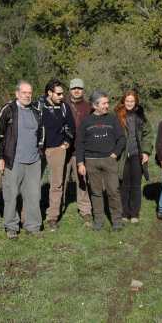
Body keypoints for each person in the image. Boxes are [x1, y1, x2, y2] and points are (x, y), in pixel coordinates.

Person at [0, 80, 44, 239]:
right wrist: (0, 157)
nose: (27, 96)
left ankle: (33, 225)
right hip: (13, 159)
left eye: (29, 93)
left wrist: (40, 148)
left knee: (34, 194)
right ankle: (11, 226)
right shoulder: (7, 110)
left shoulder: (36, 110)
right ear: (17, 94)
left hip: (34, 160)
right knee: (11, 194)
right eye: (24, 93)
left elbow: (42, 131)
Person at [76, 90, 126, 231]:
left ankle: (117, 221)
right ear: (95, 105)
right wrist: (80, 163)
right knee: (96, 193)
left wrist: (115, 154)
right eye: (104, 103)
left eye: (107, 102)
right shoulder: (86, 122)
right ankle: (98, 220)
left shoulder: (112, 119)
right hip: (91, 161)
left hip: (109, 161)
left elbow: (122, 138)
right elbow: (79, 143)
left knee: (113, 191)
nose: (107, 106)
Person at [35, 79, 76, 231]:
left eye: (62, 94)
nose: (61, 96)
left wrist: (66, 141)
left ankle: (52, 217)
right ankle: (29, 216)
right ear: (49, 93)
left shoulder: (64, 107)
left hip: (58, 149)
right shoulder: (37, 106)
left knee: (56, 184)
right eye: (58, 94)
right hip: (38, 150)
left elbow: (71, 126)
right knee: (32, 184)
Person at [114, 89, 152, 223]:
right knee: (124, 185)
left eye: (132, 101)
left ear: (135, 102)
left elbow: (148, 134)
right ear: (123, 101)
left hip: (137, 154)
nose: (129, 103)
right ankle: (124, 213)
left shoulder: (140, 115)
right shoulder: (117, 115)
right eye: (127, 101)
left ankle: (134, 213)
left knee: (136, 185)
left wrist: (146, 152)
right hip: (123, 155)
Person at [64, 78, 93, 224]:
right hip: (63, 149)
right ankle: (57, 209)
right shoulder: (62, 105)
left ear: (83, 90)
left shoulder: (89, 107)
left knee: (83, 181)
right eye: (74, 88)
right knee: (60, 181)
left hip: (81, 150)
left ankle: (85, 210)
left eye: (79, 88)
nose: (77, 90)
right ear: (70, 89)